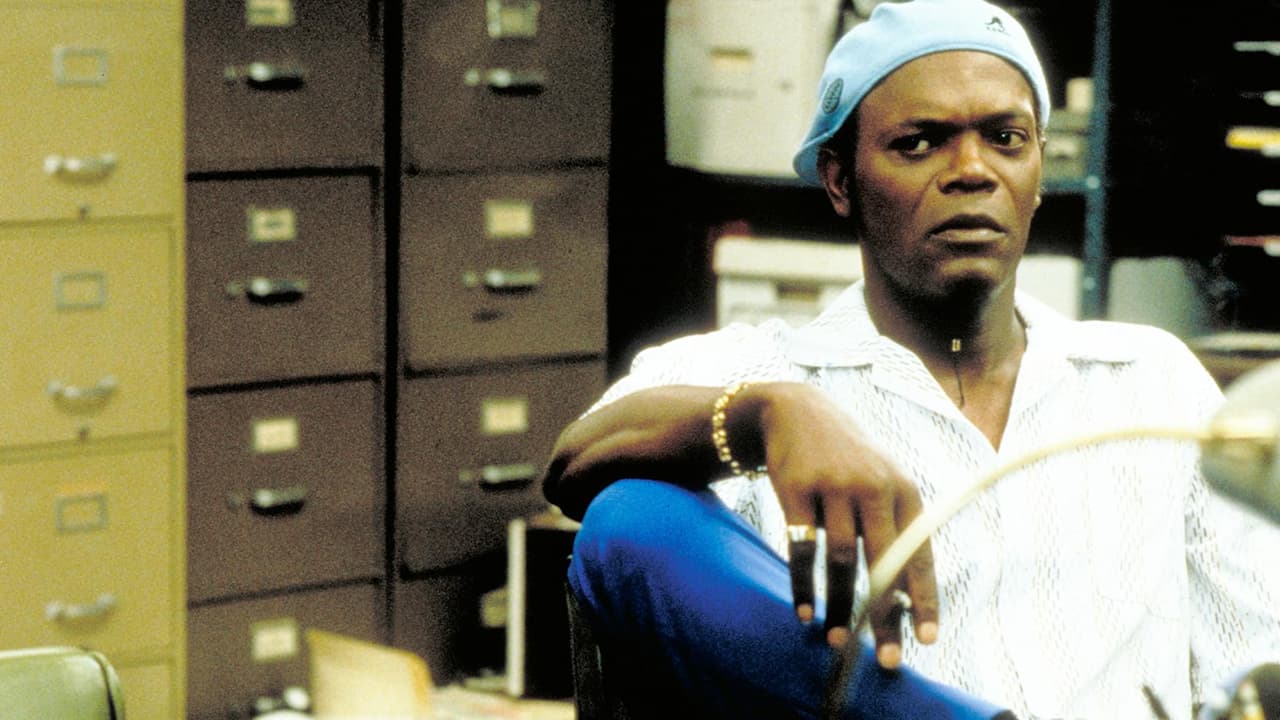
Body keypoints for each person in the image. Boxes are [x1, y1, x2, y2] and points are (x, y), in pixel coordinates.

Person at [543, 0, 1280, 717]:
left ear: (1037, 172)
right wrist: (762, 417)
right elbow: (579, 475)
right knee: (633, 513)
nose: (972, 171)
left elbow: (1252, 656)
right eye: (919, 143)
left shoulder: (1151, 385)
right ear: (840, 181)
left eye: (1006, 138)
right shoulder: (765, 372)